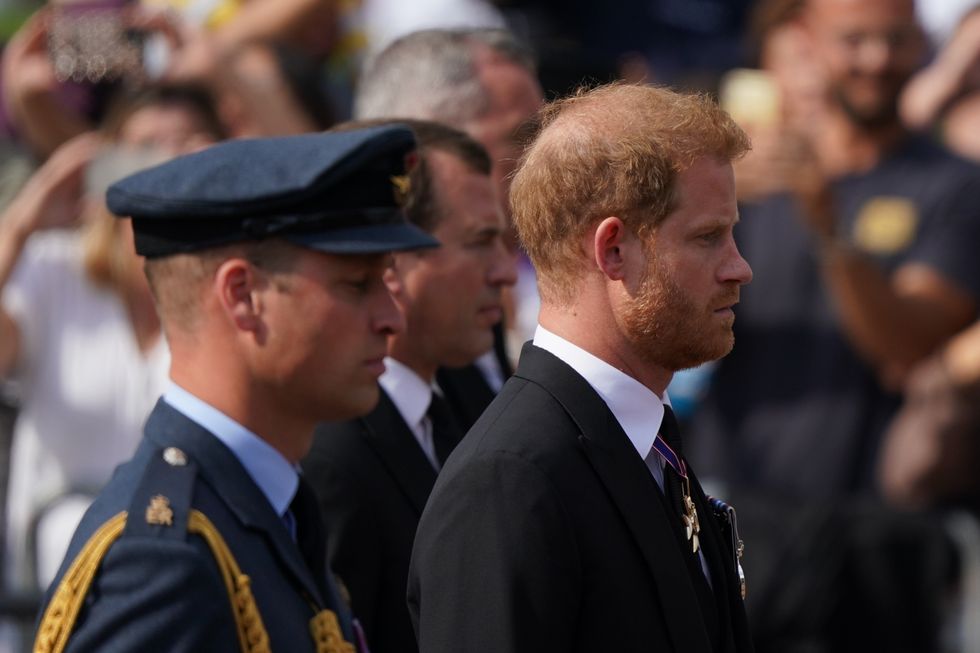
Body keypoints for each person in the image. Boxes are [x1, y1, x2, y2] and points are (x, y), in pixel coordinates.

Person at [32, 124, 438, 652]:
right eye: (357, 284)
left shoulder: (271, 504)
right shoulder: (165, 563)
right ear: (243, 296)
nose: (391, 320)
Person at [408, 82, 755, 653]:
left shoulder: (645, 446)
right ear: (613, 250)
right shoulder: (510, 481)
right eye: (708, 237)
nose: (739, 267)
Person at [689, 0, 980, 500]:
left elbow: (909, 345)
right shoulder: (743, 175)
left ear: (921, 43)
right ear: (807, 43)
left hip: (876, 514)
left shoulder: (956, 186)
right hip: (730, 494)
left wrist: (827, 224)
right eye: (853, 41)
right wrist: (695, 204)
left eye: (895, 40)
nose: (877, 60)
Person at [0, 85, 224, 596]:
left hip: (191, 580)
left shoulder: (235, 286)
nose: (167, 161)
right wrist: (22, 220)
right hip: (53, 586)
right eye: (144, 147)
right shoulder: (54, 267)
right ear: (107, 166)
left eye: (190, 143)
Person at [302, 119, 515, 653]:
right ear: (392, 260)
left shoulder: (468, 394)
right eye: (479, 242)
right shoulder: (333, 455)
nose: (505, 271)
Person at [354, 27, 544, 424]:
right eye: (522, 136)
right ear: (426, 147)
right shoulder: (347, 398)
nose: (547, 158)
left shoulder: (467, 314)